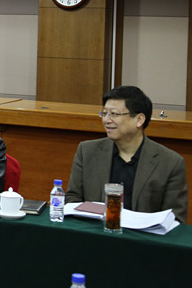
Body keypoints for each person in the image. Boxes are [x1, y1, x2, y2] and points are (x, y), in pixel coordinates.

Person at [66, 85, 188, 223]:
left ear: (139, 119)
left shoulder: (170, 162)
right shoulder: (87, 151)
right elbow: (73, 199)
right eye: (104, 113)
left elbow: (175, 219)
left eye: (114, 114)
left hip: (143, 236)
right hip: (95, 231)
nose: (106, 120)